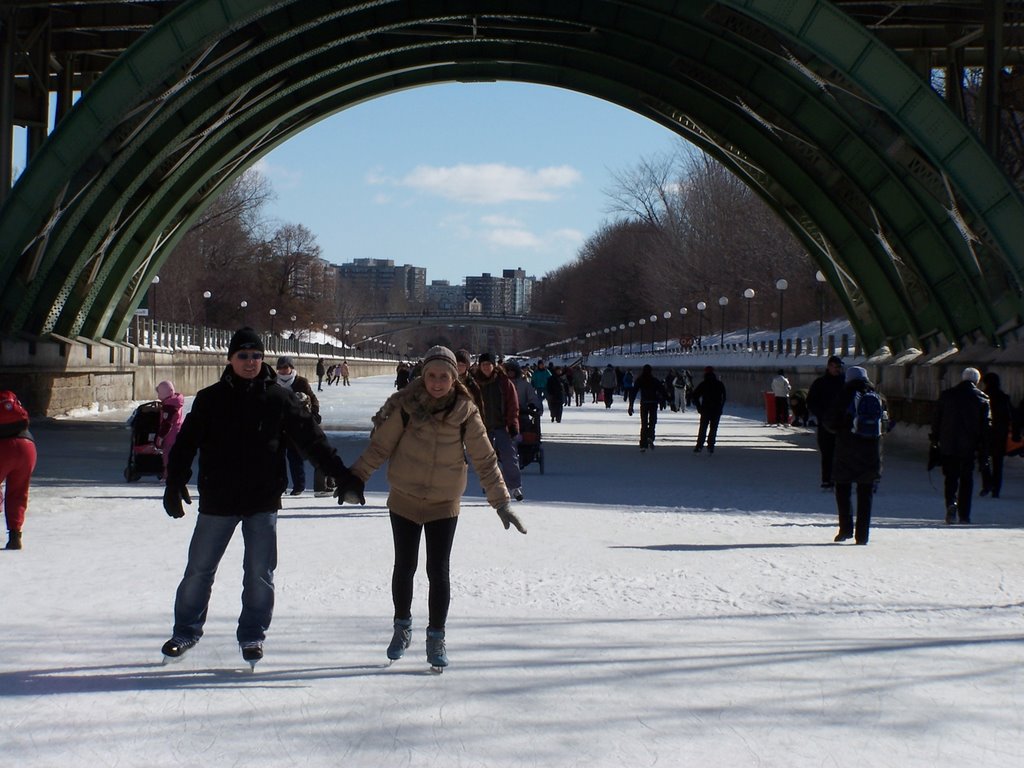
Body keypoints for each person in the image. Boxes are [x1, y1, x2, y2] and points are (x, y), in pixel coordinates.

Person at [160, 328, 355, 665]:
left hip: (262, 499)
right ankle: (185, 631)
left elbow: (311, 439)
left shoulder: (279, 398)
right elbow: (185, 443)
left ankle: (252, 635)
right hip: (218, 499)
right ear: (230, 359)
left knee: (259, 573)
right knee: (199, 569)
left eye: (255, 355)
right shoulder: (210, 399)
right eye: (243, 355)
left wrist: (340, 474)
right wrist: (175, 481)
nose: (250, 362)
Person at [341, 345, 525, 669]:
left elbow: (484, 458)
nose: (437, 382)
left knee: (438, 570)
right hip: (405, 499)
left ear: (455, 378)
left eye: (444, 376)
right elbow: (380, 446)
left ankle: (436, 636)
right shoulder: (405, 406)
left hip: (443, 501)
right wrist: (356, 479)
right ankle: (402, 627)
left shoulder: (466, 411)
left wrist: (501, 502)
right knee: (405, 566)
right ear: (422, 376)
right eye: (432, 376)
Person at [824, 366, 886, 545]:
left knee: (843, 490)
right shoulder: (879, 398)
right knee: (865, 494)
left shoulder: (843, 396)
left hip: (846, 449)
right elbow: (887, 424)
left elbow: (830, 422)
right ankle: (863, 535)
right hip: (871, 452)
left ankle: (845, 529)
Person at [930, 367, 991, 524]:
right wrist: (984, 450)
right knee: (966, 479)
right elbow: (986, 429)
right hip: (969, 447)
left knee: (950, 478)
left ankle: (951, 503)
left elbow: (936, 420)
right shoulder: (982, 399)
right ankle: (965, 514)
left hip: (948, 444)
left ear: (962, 378)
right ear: (977, 381)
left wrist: (935, 439)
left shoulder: (947, 395)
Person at [471, 353, 523, 501]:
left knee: (509, 457)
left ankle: (514, 486)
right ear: (480, 367)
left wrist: (512, 423)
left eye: (488, 364)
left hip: (502, 426)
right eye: (483, 365)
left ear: (494, 366)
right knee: (486, 460)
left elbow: (513, 404)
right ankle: (490, 487)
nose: (486, 367)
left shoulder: (504, 382)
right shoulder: (475, 383)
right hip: (483, 427)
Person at [275, 356, 320, 495]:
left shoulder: (301, 382)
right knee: (277, 457)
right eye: (280, 368)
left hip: (296, 425)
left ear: (291, 368)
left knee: (295, 457)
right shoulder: (273, 383)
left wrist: (314, 412)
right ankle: (280, 485)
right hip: (278, 425)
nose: (283, 371)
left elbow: (313, 399)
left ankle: (299, 486)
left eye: (285, 367)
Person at [0, 390, 36, 550]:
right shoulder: (11, 399)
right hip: (27, 447)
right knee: (18, 492)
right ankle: (15, 536)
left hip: (3, 449)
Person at [806, 356, 845, 489]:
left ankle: (839, 479)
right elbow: (811, 401)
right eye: (835, 366)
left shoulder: (845, 383)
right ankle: (827, 479)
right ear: (828, 367)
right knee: (827, 452)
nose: (837, 369)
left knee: (841, 452)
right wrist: (821, 415)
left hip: (842, 423)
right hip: (825, 423)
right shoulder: (820, 383)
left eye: (839, 367)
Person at [979, 372, 1014, 499]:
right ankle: (996, 489)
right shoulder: (1004, 397)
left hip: (985, 433)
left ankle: (987, 484)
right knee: (998, 463)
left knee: (984, 460)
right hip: (1000, 433)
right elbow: (1010, 416)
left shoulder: (982, 397)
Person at [628, 364, 669, 452]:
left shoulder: (640, 380)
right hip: (653, 403)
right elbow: (662, 390)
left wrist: (631, 405)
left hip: (644, 403)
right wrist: (669, 400)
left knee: (644, 423)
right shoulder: (654, 380)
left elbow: (634, 392)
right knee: (652, 421)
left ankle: (643, 444)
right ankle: (650, 436)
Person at [154, 380, 185, 481]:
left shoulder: (169, 406)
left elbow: (167, 423)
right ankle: (175, 474)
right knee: (176, 456)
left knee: (168, 457)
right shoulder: (176, 402)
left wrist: (160, 437)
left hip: (170, 436)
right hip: (178, 432)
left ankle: (168, 476)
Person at [691, 366, 726, 454]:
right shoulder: (719, 384)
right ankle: (711, 446)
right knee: (713, 428)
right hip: (716, 409)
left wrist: (699, 407)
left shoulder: (703, 384)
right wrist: (721, 407)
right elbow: (724, 397)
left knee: (703, 427)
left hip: (705, 409)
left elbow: (695, 396)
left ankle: (699, 446)